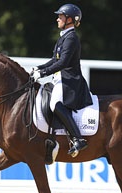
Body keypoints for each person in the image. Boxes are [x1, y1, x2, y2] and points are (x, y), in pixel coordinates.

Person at [31, 3, 92, 157]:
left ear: (70, 19)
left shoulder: (71, 38)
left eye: (61, 16)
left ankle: (78, 139)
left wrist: (43, 73)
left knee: (54, 104)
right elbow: (54, 60)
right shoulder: (63, 37)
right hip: (60, 80)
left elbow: (63, 63)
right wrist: (39, 68)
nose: (58, 19)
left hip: (70, 81)